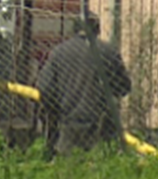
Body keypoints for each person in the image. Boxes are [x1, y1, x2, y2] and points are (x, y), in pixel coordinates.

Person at [36, 12, 132, 156]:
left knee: (69, 164)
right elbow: (124, 87)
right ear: (97, 29)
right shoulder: (108, 52)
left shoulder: (58, 53)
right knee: (103, 163)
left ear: (74, 29)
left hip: (68, 125)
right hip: (102, 126)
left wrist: (56, 109)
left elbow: (44, 88)